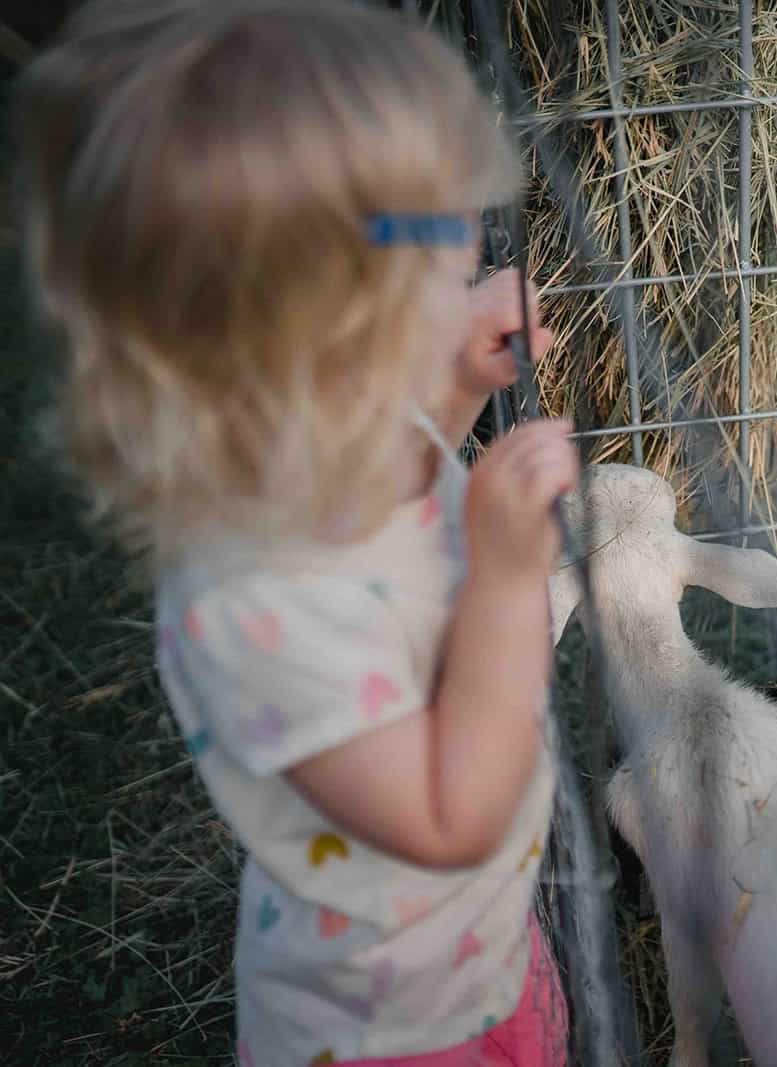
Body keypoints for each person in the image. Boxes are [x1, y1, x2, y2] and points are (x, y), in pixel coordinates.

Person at [15, 3, 577, 1063]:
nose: (469, 250)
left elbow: (407, 501)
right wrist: (507, 581)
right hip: (394, 1023)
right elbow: (446, 815)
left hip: (476, 939)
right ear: (322, 319)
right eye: (426, 237)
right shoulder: (255, 602)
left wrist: (454, 386)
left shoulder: (332, 424)